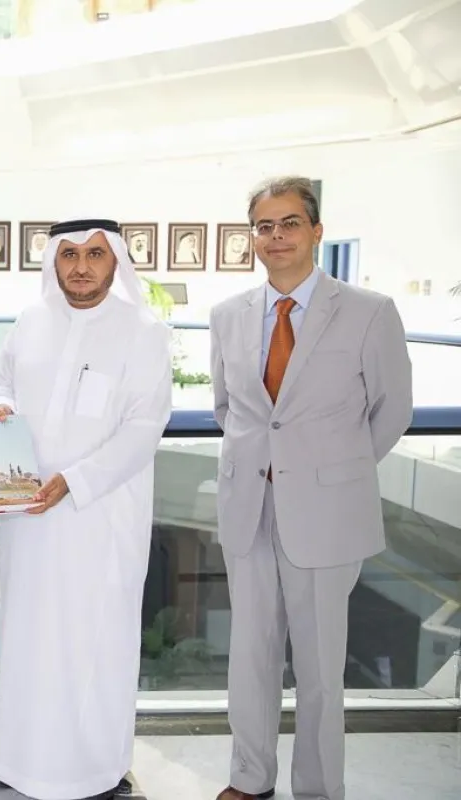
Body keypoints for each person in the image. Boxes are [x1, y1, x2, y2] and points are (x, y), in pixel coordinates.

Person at [209, 177, 413, 800]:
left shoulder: (370, 311)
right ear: (253, 237)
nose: (277, 236)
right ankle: (250, 778)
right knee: (250, 657)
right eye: (265, 226)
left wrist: (331, 471)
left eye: (290, 223)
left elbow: (393, 410)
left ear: (316, 231)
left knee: (321, 666)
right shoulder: (226, 316)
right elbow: (227, 408)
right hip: (249, 507)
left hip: (327, 513)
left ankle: (320, 788)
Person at [0, 219, 173, 800]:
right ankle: (17, 760)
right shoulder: (31, 320)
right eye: (69, 255)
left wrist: (75, 480)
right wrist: (2, 405)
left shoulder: (143, 332)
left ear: (115, 261)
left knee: (94, 643)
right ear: (54, 262)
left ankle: (92, 771)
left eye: (94, 254)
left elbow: (144, 429)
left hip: (99, 520)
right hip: (27, 520)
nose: (81, 266)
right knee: (26, 639)